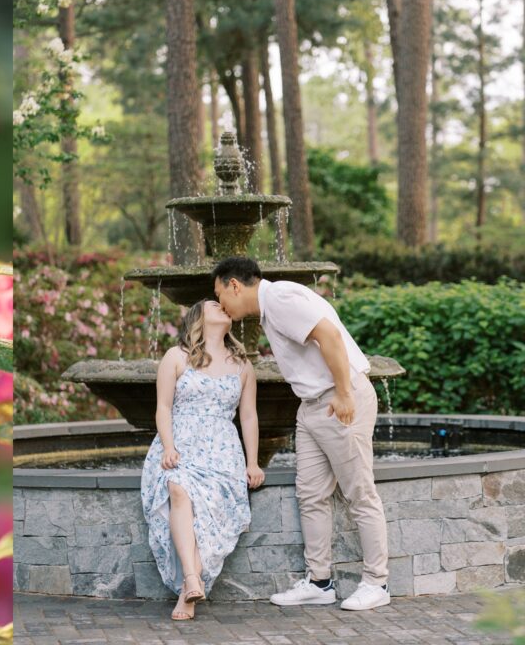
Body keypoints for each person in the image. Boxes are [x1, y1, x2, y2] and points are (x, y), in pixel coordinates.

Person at [212, 256, 390, 611]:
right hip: (311, 406)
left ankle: (377, 583)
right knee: (310, 494)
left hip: (336, 400)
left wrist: (343, 394)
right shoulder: (272, 306)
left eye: (220, 295)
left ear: (235, 285)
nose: (221, 305)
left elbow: (330, 336)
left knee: (360, 492)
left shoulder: (279, 299)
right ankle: (320, 582)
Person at [140, 299, 265, 621]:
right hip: (180, 442)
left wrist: (253, 462)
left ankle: (188, 590)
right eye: (213, 304)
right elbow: (163, 407)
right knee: (178, 488)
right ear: (198, 318)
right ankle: (192, 579)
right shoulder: (176, 357)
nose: (222, 306)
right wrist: (168, 446)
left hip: (222, 449)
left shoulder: (242, 364)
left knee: (207, 516)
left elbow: (248, 417)